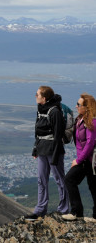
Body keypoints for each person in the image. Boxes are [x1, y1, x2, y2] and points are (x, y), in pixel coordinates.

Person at [25, 86, 69, 221]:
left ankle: (64, 209)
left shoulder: (54, 112)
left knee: (59, 180)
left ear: (44, 98)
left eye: (37, 94)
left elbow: (58, 135)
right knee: (41, 180)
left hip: (53, 150)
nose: (35, 96)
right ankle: (40, 209)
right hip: (42, 149)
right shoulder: (40, 110)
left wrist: (55, 155)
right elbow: (37, 131)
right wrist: (35, 149)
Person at [62, 93, 96, 221]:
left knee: (70, 179)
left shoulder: (92, 122)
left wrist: (78, 160)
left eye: (79, 104)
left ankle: (77, 212)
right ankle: (79, 213)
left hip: (90, 160)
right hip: (86, 159)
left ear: (87, 107)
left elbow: (90, 143)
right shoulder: (80, 120)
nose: (76, 106)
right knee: (92, 186)